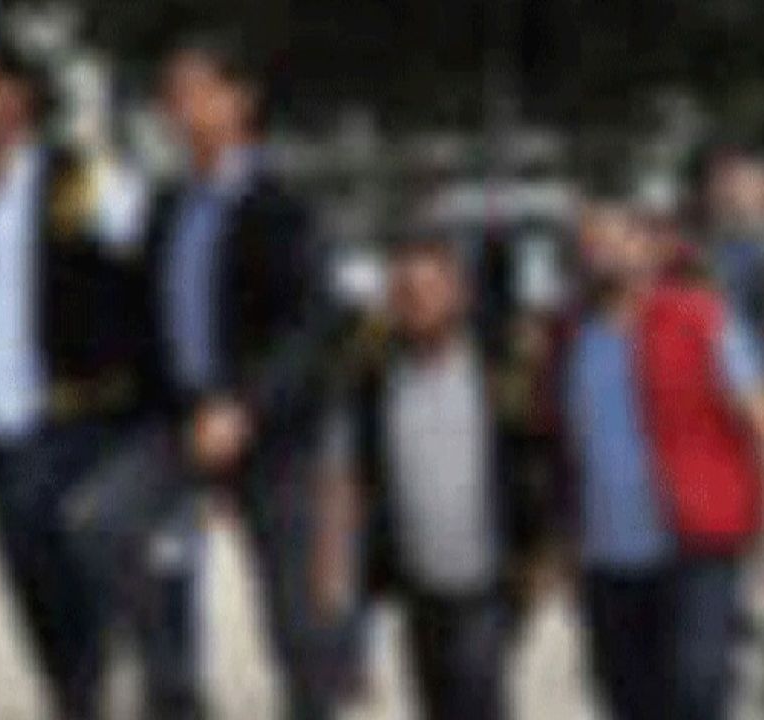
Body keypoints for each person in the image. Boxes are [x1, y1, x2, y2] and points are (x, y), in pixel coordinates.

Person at [0, 26, 152, 720]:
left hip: (70, 412)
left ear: (20, 94)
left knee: (65, 564)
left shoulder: (72, 175)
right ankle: (77, 691)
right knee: (25, 577)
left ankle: (88, 691)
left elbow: (140, 249)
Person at [138, 29, 339, 720]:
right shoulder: (167, 205)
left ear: (240, 100)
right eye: (173, 95)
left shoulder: (282, 204)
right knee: (107, 527)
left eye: (200, 91)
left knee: (296, 619)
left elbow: (310, 325)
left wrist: (246, 407)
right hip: (183, 421)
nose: (183, 108)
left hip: (269, 429)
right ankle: (174, 692)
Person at [330, 234, 526, 720]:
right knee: (437, 702)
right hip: (417, 583)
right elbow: (354, 475)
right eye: (405, 294)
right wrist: (339, 566)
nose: (417, 305)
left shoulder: (494, 369)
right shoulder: (377, 381)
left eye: (429, 290)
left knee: (478, 697)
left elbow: (534, 457)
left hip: (485, 579)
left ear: (457, 294)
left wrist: (543, 551)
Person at [636, 195, 764, 720]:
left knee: (699, 679)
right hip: (636, 532)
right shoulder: (601, 327)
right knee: (652, 677)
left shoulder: (709, 317)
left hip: (706, 524)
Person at [565, 201, 676, 720]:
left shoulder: (688, 321)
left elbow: (759, 418)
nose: (603, 256)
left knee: (686, 694)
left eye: (614, 242)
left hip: (679, 550)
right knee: (622, 697)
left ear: (647, 247)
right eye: (592, 246)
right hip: (602, 557)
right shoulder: (569, 337)